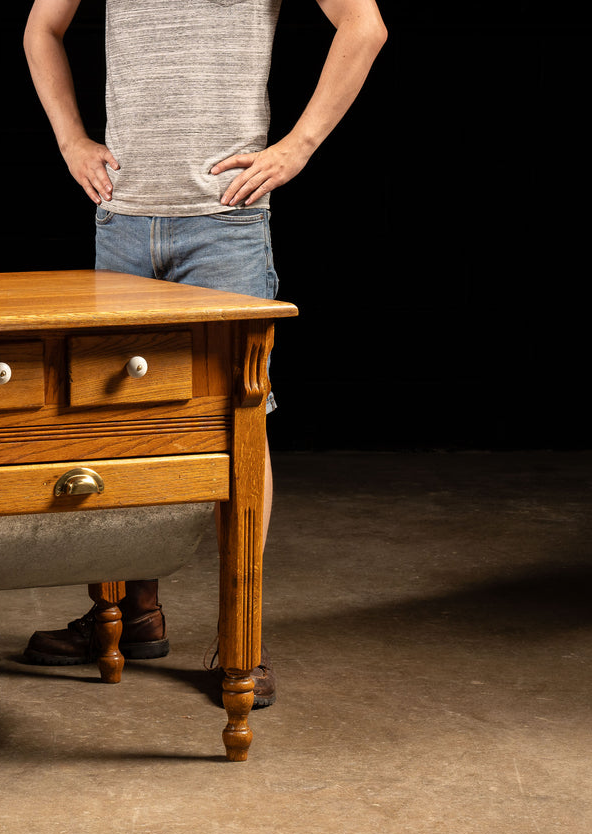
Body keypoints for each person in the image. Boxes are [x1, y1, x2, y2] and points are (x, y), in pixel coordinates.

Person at [19, 0, 386, 707]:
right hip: (122, 218)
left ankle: (241, 631)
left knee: (239, 428)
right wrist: (71, 139)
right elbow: (42, 26)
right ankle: (127, 612)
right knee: (122, 429)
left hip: (225, 225)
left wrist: (297, 146)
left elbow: (364, 25)